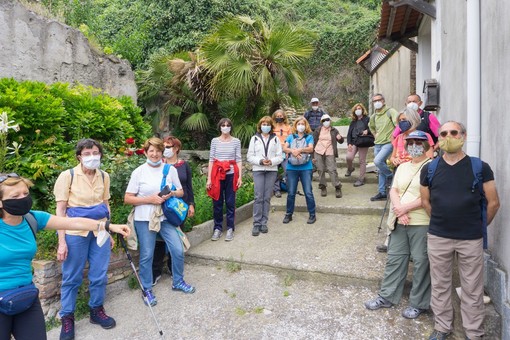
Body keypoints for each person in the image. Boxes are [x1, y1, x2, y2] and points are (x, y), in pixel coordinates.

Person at [0, 173, 129, 340]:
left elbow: (74, 222)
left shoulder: (32, 219)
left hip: (26, 295)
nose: (23, 199)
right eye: (15, 196)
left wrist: (107, 225)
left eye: (25, 193)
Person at [420, 121, 500, 340]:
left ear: (463, 136)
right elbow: (425, 201)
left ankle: (474, 333)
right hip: (438, 237)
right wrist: (441, 220)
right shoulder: (430, 168)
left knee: (472, 290)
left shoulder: (479, 167)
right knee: (440, 285)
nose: (448, 136)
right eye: (443, 133)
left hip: (470, 238)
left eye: (453, 132)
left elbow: (493, 203)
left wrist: (477, 226)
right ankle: (443, 327)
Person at [364, 131, 432, 320]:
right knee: (395, 259)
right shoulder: (402, 166)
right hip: (399, 219)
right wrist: (399, 209)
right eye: (410, 142)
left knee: (421, 262)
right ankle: (387, 296)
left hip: (420, 221)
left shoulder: (432, 167)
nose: (413, 146)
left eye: (418, 142)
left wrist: (405, 209)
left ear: (426, 145)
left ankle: (418, 303)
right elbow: (393, 189)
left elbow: (429, 196)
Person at [54, 139, 117, 340]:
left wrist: (109, 231)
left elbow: (105, 204)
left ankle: (96, 310)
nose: (92, 156)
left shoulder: (104, 176)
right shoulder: (68, 176)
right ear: (79, 156)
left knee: (99, 274)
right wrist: (61, 241)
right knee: (71, 277)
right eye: (87, 153)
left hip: (100, 231)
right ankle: (67, 317)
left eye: (96, 152)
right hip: (75, 233)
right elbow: (61, 211)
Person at [125, 137, 196, 308]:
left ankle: (178, 281)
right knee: (147, 254)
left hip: (165, 217)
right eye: (151, 151)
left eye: (158, 150)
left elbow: (180, 191)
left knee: (178, 249)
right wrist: (150, 199)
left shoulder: (169, 169)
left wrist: (170, 193)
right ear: (146, 152)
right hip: (144, 218)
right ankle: (147, 289)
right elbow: (127, 198)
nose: (155, 154)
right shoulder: (139, 172)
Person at [152, 136, 195, 286]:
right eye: (164, 146)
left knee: (176, 237)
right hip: (161, 207)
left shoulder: (184, 166)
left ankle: (172, 268)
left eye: (169, 146)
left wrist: (191, 204)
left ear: (176, 148)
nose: (166, 149)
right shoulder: (159, 165)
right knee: (158, 241)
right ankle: (155, 271)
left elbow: (188, 187)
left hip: (178, 208)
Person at [206, 118, 242, 242]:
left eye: (227, 125)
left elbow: (238, 160)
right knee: (217, 202)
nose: (225, 127)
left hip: (231, 174)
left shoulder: (236, 141)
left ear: (231, 127)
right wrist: (209, 178)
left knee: (231, 202)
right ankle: (218, 228)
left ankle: (231, 228)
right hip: (217, 174)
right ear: (220, 127)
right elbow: (211, 159)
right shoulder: (214, 141)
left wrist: (240, 177)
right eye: (223, 125)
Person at [247, 116, 283, 236]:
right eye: (263, 123)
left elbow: (280, 156)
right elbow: (250, 156)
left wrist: (271, 161)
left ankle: (264, 222)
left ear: (271, 126)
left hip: (271, 170)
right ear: (260, 125)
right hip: (259, 170)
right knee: (258, 196)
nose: (265, 126)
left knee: (267, 197)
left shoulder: (276, 139)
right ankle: (256, 223)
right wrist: (261, 161)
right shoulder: (254, 138)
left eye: (267, 124)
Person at [282, 117, 316, 224]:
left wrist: (300, 150)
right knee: (291, 192)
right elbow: (284, 148)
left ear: (305, 126)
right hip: (292, 168)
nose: (300, 126)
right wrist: (293, 151)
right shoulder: (290, 137)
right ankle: (289, 214)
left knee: (308, 192)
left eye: (302, 124)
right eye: (298, 124)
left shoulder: (309, 137)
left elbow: (311, 148)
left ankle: (312, 214)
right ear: (295, 126)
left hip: (306, 168)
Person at [368, 93, 399, 201]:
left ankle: (390, 175)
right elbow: (371, 127)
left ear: (383, 101)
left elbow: (398, 125)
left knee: (377, 161)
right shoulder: (373, 116)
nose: (377, 102)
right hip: (378, 143)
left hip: (388, 143)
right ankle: (382, 192)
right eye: (374, 101)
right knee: (380, 168)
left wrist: (393, 136)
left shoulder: (391, 112)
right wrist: (374, 134)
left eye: (379, 100)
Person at [312, 113, 344, 198]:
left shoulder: (334, 130)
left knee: (332, 169)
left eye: (327, 120)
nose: (326, 122)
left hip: (329, 151)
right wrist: (312, 155)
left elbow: (341, 141)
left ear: (330, 121)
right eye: (324, 120)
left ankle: (337, 186)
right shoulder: (318, 130)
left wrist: (340, 138)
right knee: (320, 169)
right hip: (318, 151)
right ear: (321, 122)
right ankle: (323, 186)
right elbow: (313, 142)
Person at [345, 103, 372, 187]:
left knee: (362, 160)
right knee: (349, 157)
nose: (358, 110)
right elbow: (349, 133)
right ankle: (350, 168)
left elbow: (372, 127)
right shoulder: (353, 121)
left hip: (363, 141)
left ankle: (361, 179)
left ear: (363, 110)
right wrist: (349, 143)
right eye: (356, 109)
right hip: (354, 141)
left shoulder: (367, 119)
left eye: (359, 108)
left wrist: (367, 131)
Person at [272, 109, 292, 198]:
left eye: (281, 116)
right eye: (277, 116)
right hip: (274, 153)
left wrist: (288, 150)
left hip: (285, 152)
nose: (279, 118)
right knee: (274, 172)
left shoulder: (288, 127)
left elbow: (291, 140)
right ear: (274, 117)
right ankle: (277, 190)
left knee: (288, 171)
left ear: (284, 117)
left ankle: (288, 187)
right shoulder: (272, 127)